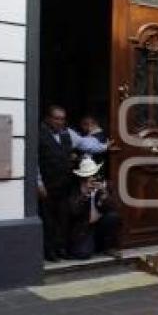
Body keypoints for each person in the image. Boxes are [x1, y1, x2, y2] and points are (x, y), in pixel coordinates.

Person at [38, 105, 111, 261]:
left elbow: (87, 144)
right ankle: (50, 252)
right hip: (48, 184)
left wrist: (105, 146)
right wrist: (38, 183)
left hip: (65, 183)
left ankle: (61, 248)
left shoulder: (68, 133)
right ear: (48, 118)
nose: (59, 122)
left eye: (62, 119)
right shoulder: (38, 134)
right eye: (56, 118)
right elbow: (33, 161)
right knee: (49, 220)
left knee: (63, 218)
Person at [66, 157, 121, 259]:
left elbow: (115, 207)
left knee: (113, 217)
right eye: (88, 176)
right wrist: (85, 195)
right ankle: (91, 245)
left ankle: (106, 246)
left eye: (93, 175)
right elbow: (73, 211)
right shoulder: (75, 189)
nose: (92, 178)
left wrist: (104, 194)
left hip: (99, 224)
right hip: (83, 228)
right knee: (83, 254)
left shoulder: (103, 186)